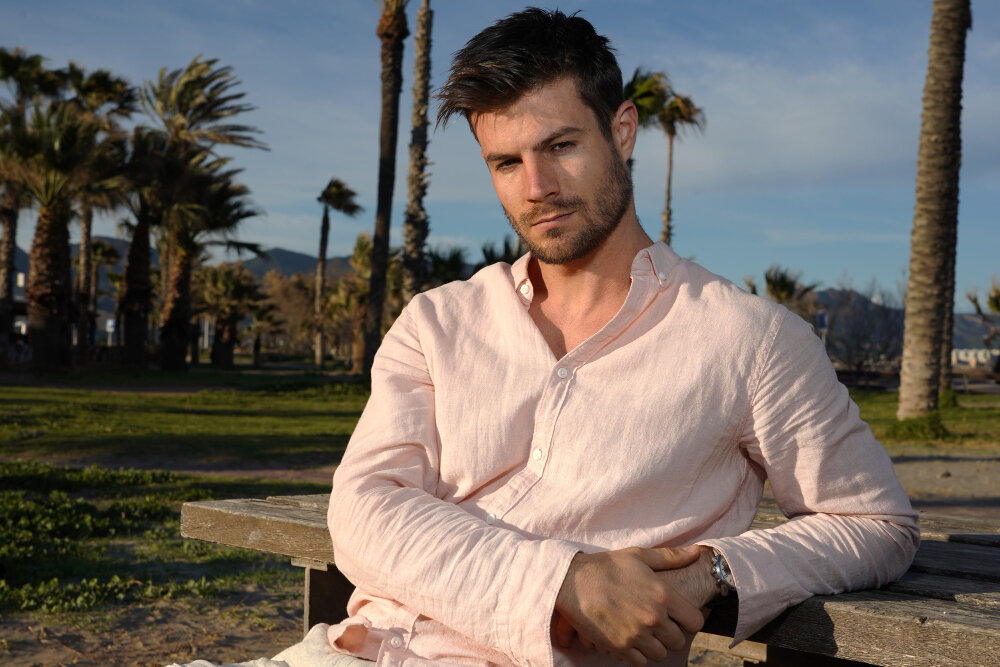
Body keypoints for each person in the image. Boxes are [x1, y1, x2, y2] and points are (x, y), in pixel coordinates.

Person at [171, 8, 918, 667]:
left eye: (560, 146)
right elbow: (364, 510)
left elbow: (875, 522)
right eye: (505, 162)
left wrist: (713, 573)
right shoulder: (437, 322)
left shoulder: (748, 339)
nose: (536, 188)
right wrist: (563, 578)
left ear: (622, 130)